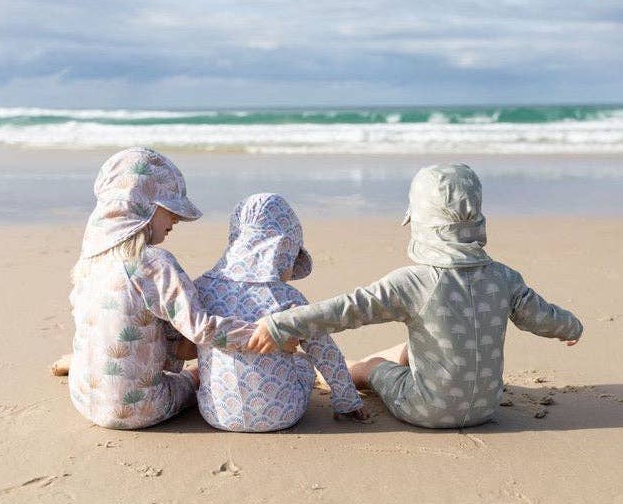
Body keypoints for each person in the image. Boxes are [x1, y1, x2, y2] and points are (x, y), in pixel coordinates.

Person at [248, 164, 583, 429]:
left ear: (420, 221)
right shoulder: (504, 277)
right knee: (415, 349)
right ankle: (388, 361)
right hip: (486, 407)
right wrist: (570, 327)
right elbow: (542, 316)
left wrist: (280, 325)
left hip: (425, 409)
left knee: (376, 366)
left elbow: (345, 310)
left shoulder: (414, 282)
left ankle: (353, 370)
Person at [68, 147, 263, 430]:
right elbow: (201, 329)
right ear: (142, 205)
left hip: (83, 397)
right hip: (137, 409)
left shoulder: (89, 264)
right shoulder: (154, 263)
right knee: (196, 376)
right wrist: (263, 334)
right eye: (170, 210)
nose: (176, 220)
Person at [193, 193, 369, 432]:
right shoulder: (287, 297)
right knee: (304, 361)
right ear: (283, 250)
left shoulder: (201, 288)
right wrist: (347, 400)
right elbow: (325, 352)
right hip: (282, 414)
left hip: (216, 414)